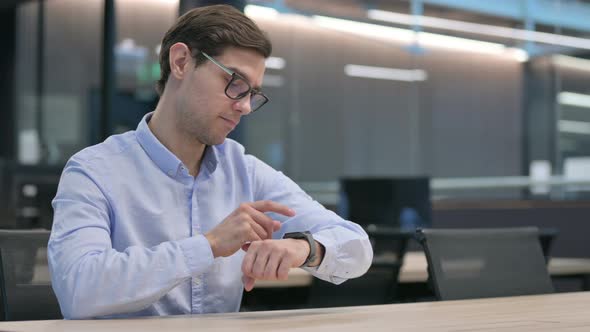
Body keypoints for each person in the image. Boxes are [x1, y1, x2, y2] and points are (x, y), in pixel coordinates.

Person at [48, 4, 372, 319]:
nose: (244, 107)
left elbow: (356, 245)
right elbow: (80, 290)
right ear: (181, 62)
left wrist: (304, 248)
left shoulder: (244, 170)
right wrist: (210, 245)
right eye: (235, 83)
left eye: (251, 93)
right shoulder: (93, 171)